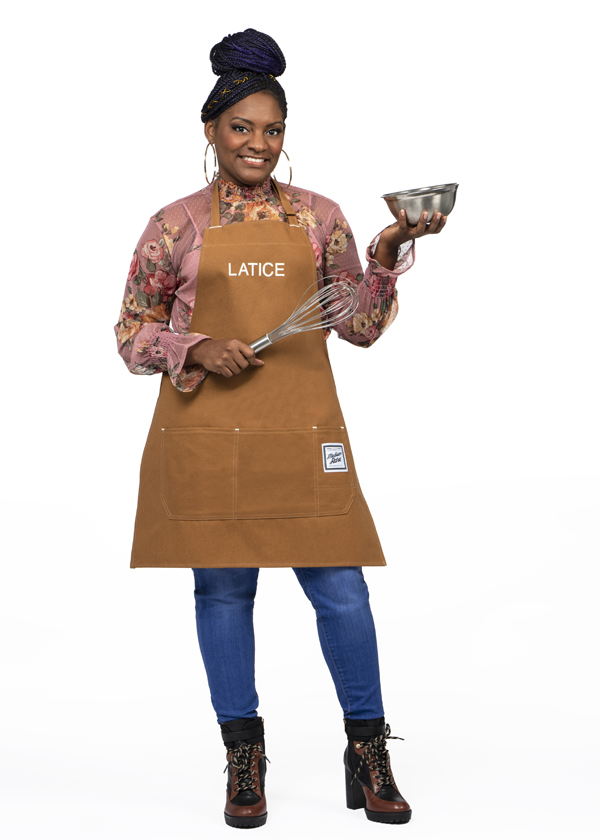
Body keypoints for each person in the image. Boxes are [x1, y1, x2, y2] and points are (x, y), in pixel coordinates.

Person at [115, 28, 447, 830]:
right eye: (241, 128)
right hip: (206, 437)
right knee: (223, 590)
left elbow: (358, 326)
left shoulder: (319, 220)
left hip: (302, 433)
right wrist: (195, 345)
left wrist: (391, 249)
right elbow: (130, 333)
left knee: (342, 590)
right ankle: (244, 757)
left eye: (271, 131)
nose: (257, 144)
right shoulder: (175, 226)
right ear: (211, 131)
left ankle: (367, 751)